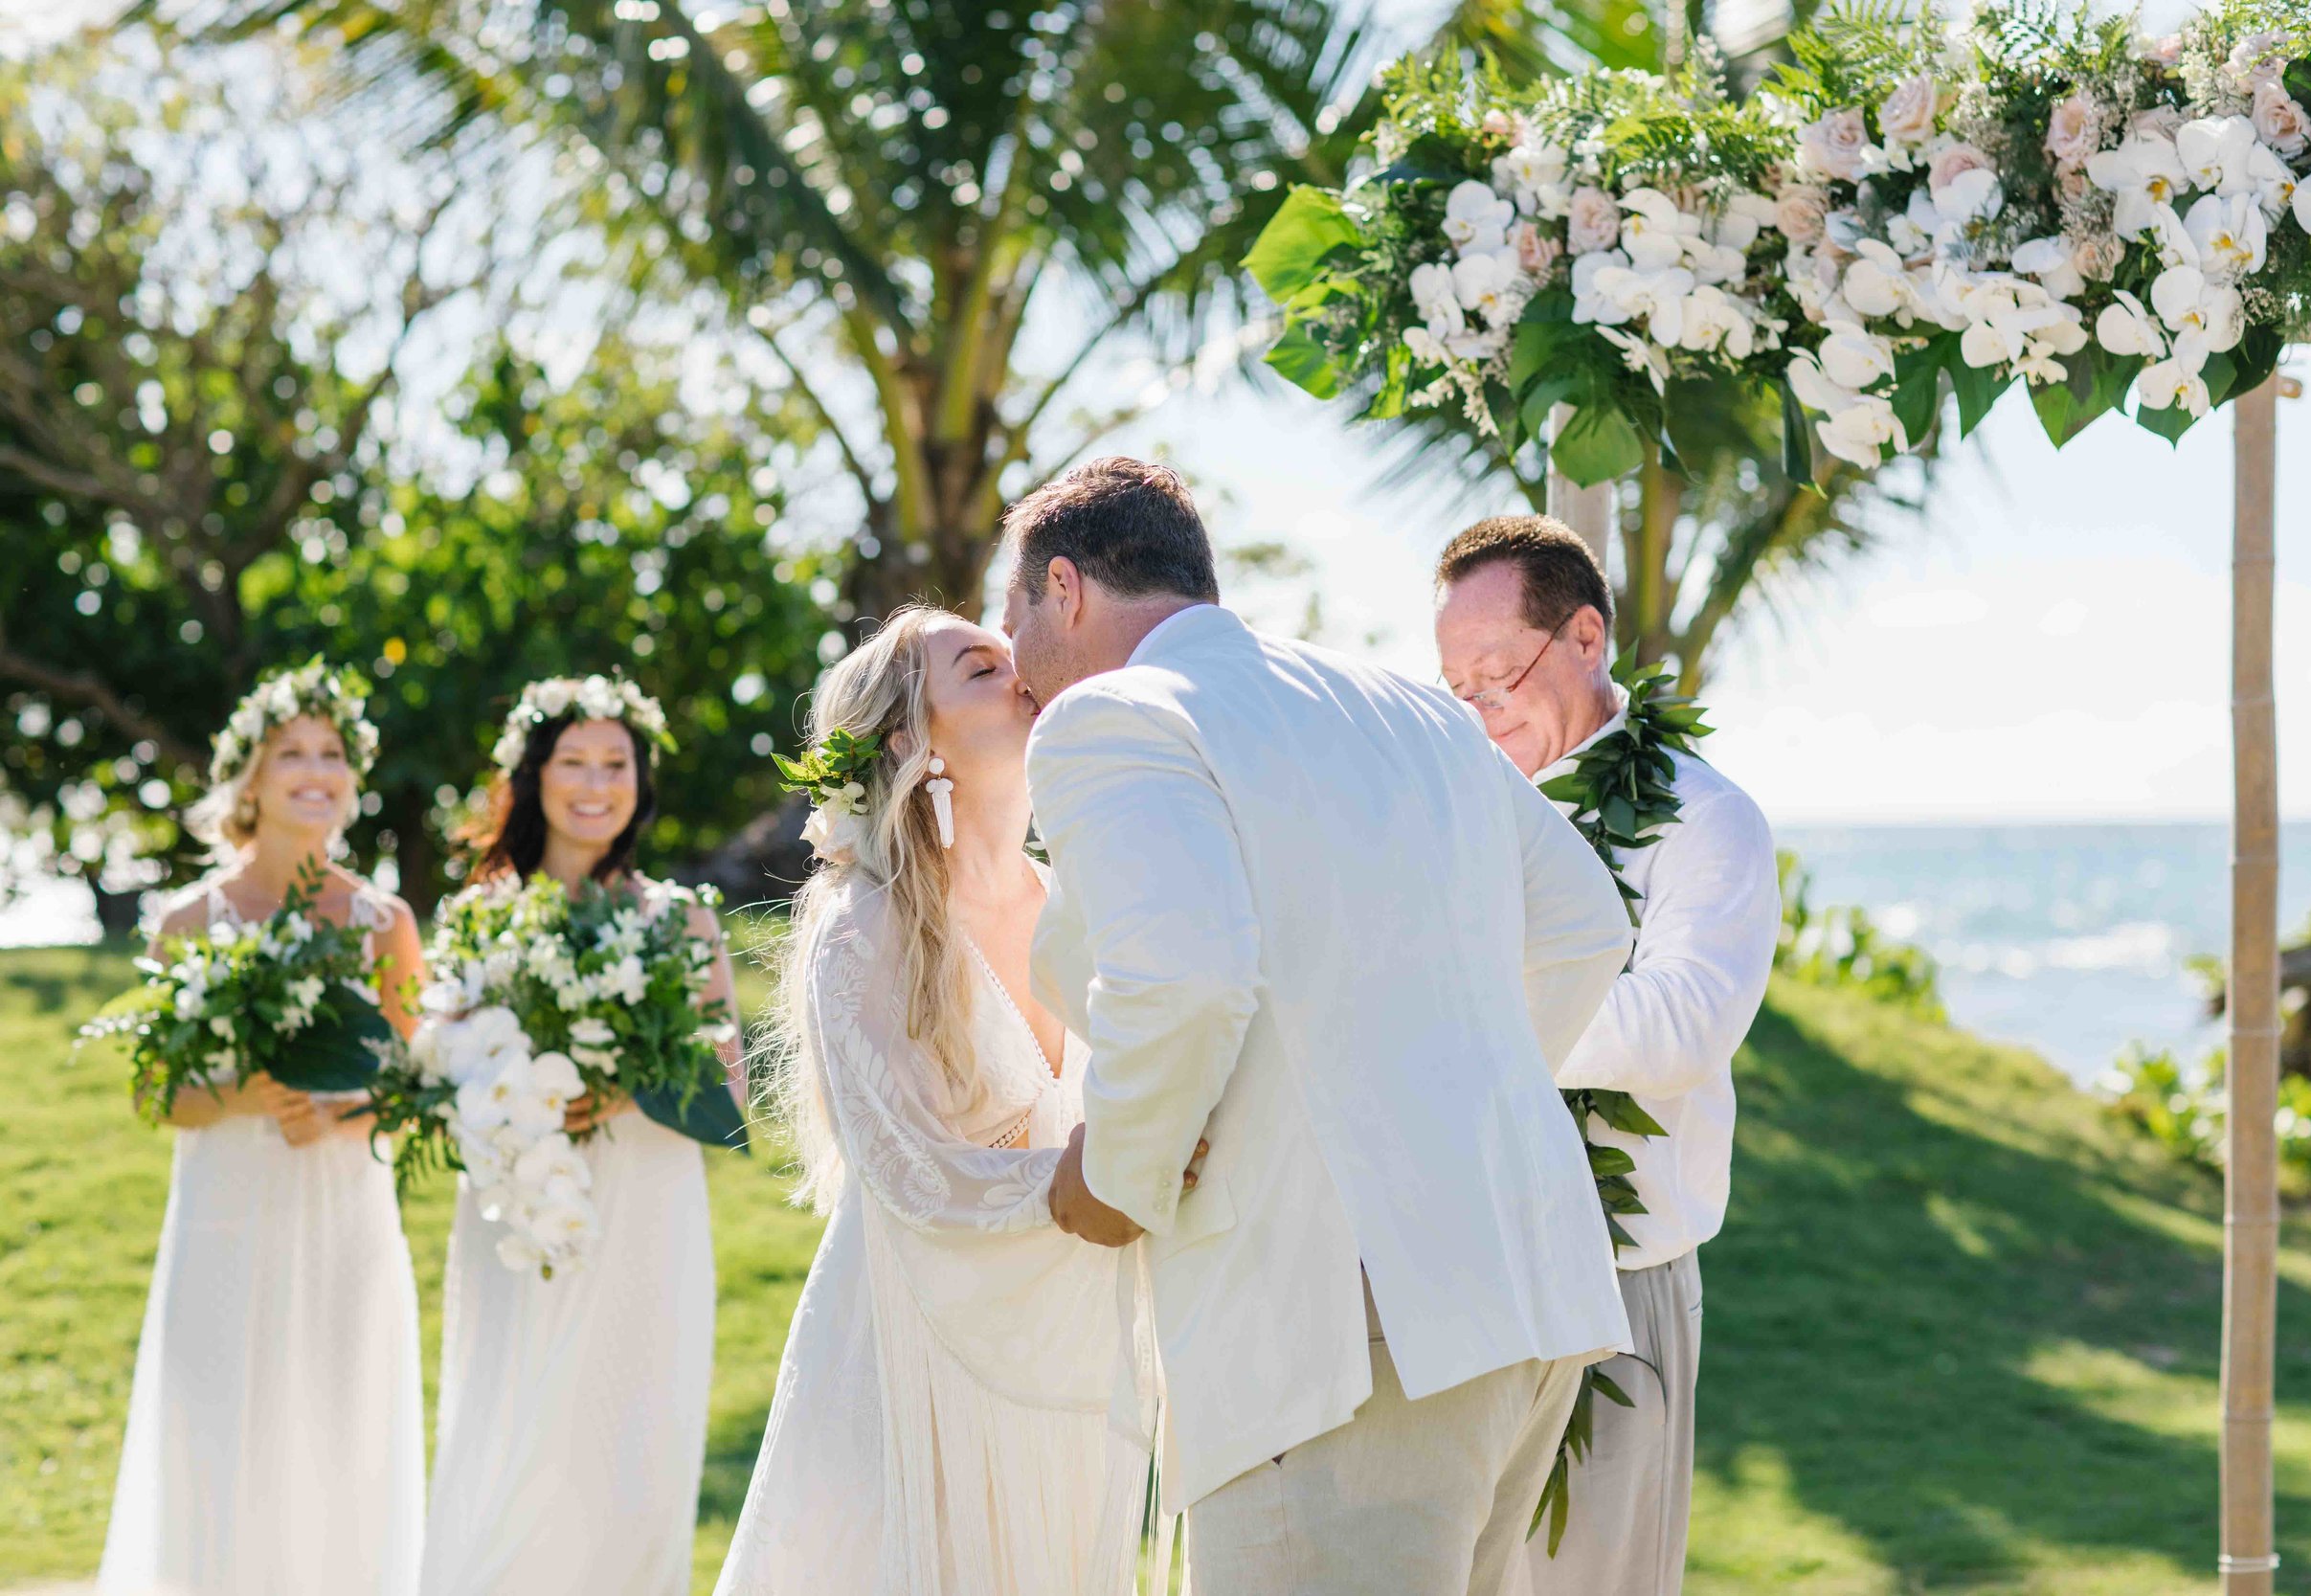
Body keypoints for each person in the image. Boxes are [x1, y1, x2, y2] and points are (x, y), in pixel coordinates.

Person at [1005, 457, 1639, 1596]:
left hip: (1345, 1330)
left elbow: (1184, 975)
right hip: (1522, 1292)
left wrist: (1118, 1174)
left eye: (1009, 614)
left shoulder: (1112, 716)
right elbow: (1584, 923)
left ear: (1065, 586)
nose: (1011, 657)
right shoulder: (1400, 702)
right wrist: (1438, 1109)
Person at [713, 606, 1148, 1596]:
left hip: (1062, 1351)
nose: (1022, 669)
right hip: (915, 1343)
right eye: (981, 666)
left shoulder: (1083, 899)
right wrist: (1074, 1181)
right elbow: (905, 1163)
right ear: (911, 738)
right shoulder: (866, 926)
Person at [1434, 515, 1777, 1596]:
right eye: (1455, 685)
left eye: (1498, 673)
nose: (1480, 711)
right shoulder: (1451, 809)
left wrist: (1462, 1015)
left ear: (1585, 637)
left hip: (1614, 1281)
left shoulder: (1704, 819)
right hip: (1456, 1266)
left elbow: (1678, 1025)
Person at [97, 663, 425, 1596]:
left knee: (337, 1429)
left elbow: (421, 1083)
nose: (314, 770)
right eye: (292, 753)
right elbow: (155, 1091)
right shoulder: (189, 920)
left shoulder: (384, 921)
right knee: (218, 1426)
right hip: (226, 1212)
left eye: (332, 753)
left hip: (343, 1211)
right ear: (248, 776)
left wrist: (342, 1108)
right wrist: (247, 1093)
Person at [418, 675, 741, 1596]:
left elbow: (726, 1087)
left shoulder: (682, 919)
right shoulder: (479, 915)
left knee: (630, 1427)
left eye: (617, 764)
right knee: (512, 1428)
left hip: (647, 1209)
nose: (597, 783)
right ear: (534, 775)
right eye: (575, 762)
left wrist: (629, 1085)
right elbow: (440, 1073)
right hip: (518, 1208)